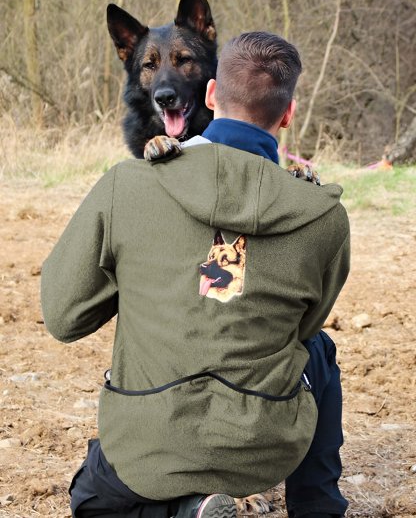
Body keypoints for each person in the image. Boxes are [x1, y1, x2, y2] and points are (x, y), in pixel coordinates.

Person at [41, 32, 350, 518]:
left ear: (209, 95)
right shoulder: (323, 215)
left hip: (146, 452)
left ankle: (184, 510)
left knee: (94, 501)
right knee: (319, 350)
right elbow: (304, 329)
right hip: (262, 450)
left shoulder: (127, 186)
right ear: (288, 114)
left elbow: (63, 318)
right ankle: (318, 505)